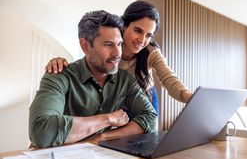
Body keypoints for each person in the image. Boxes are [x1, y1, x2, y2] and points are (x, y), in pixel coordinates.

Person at [29, 10, 157, 148]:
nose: (117, 53)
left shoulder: (125, 80)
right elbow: (41, 131)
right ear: (85, 46)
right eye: (108, 44)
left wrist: (103, 137)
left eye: (119, 44)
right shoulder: (58, 76)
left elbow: (150, 118)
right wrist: (109, 119)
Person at [46, 1, 193, 115]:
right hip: (117, 98)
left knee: (147, 135)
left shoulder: (150, 52)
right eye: (138, 31)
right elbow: (90, 62)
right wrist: (59, 61)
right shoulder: (110, 45)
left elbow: (170, 79)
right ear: (124, 26)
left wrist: (190, 98)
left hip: (144, 95)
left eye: (149, 35)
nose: (142, 40)